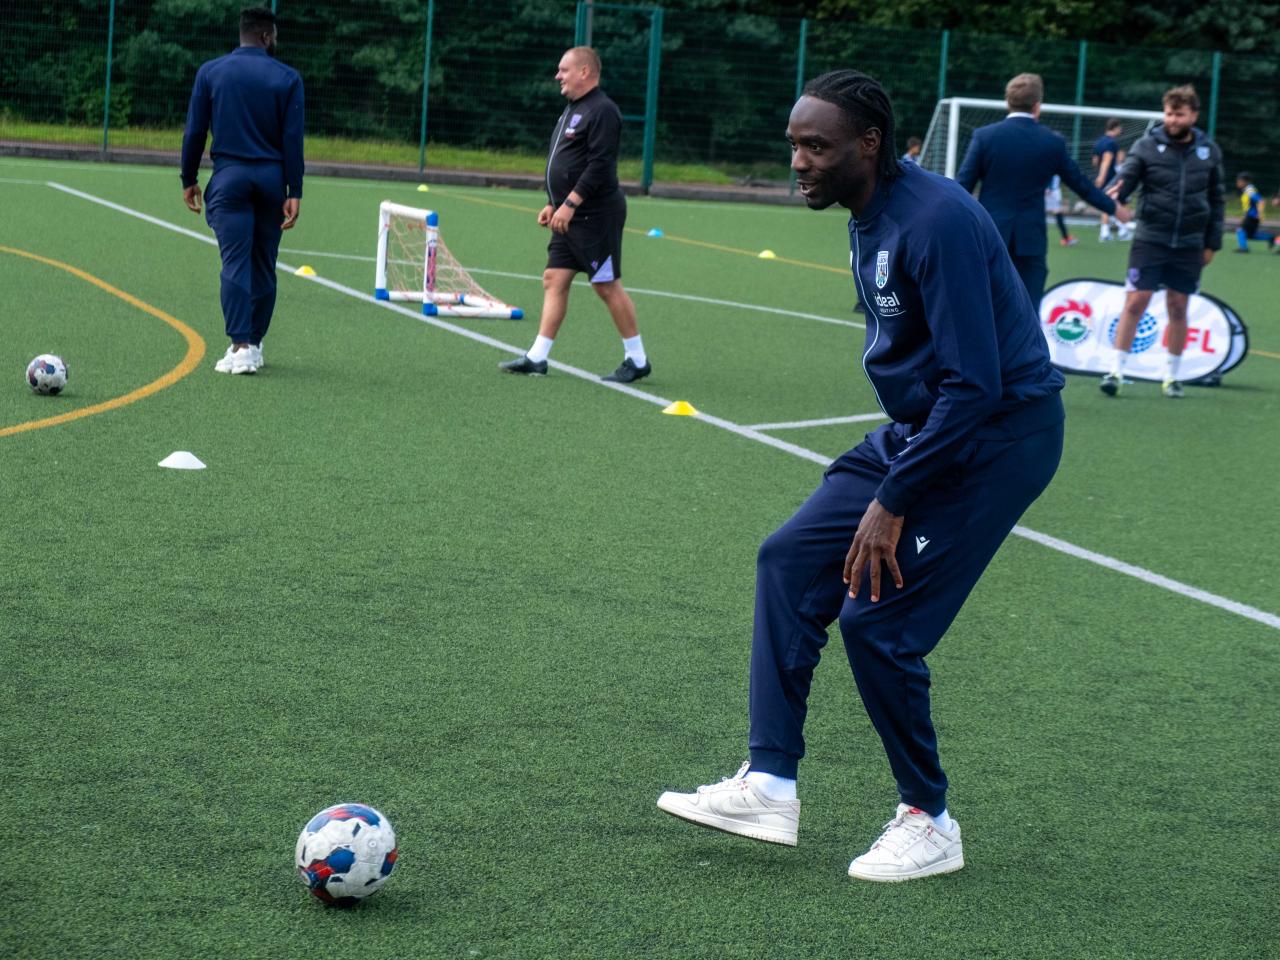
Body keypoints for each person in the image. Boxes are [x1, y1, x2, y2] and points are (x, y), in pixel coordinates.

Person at [656, 70, 1067, 883]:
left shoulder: (937, 220)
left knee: (876, 625)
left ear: (869, 143)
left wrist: (892, 498)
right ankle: (770, 783)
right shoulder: (866, 210)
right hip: (926, 429)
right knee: (787, 558)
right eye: (795, 146)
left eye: (817, 146)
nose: (800, 162)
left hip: (995, 439)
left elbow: (976, 386)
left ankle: (930, 820)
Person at [500, 47, 650, 383]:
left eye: (564, 70)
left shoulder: (603, 111)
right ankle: (537, 357)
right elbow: (567, 162)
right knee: (554, 278)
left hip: (595, 215)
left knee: (606, 286)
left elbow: (599, 165)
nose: (558, 76)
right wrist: (554, 203)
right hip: (567, 214)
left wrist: (570, 203)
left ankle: (637, 359)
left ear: (585, 72)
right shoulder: (572, 110)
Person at [180, 6, 304, 375]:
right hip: (270, 181)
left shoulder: (211, 72)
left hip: (229, 178)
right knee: (264, 262)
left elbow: (194, 132)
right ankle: (256, 342)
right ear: (266, 36)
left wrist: (188, 178)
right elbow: (292, 139)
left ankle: (241, 345)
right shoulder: (288, 78)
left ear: (244, 34)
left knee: (235, 261)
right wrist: (294, 189)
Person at [957, 73, 1129, 310]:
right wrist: (1114, 208)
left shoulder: (985, 137)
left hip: (989, 235)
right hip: (1031, 239)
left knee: (983, 307)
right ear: (1037, 105)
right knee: (1027, 312)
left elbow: (961, 186)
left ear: (1008, 102)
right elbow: (1081, 185)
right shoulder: (1052, 142)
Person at [1101, 85, 1224, 399]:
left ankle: (1171, 376)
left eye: (1179, 114)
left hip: (1190, 244)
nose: (1172, 120)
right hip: (1150, 239)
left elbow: (1217, 199)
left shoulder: (1209, 151)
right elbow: (1127, 177)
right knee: (1136, 302)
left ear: (1193, 116)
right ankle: (1115, 370)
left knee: (1179, 307)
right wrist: (1119, 191)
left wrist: (1212, 243)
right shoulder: (1146, 145)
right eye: (1169, 113)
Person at [1093, 118, 1133, 242]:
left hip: (1103, 177)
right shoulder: (1111, 143)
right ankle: (1122, 231)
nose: (1120, 130)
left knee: (1108, 204)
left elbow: (1095, 162)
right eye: (1119, 128)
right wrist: (1102, 176)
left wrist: (1099, 175)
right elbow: (1107, 160)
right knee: (1122, 203)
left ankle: (1106, 232)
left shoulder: (1099, 142)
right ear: (1115, 127)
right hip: (1111, 179)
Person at [1233, 172, 1276, 252]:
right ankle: (1270, 238)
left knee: (1240, 230)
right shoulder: (1247, 190)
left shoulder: (1250, 191)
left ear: (1244, 181)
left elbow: (1261, 201)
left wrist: (1260, 214)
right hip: (1250, 215)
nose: (1237, 183)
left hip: (1252, 216)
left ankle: (1243, 248)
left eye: (1238, 181)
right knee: (1250, 235)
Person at [1046, 175, 1077, 245]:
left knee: (1057, 214)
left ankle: (1066, 238)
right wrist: (1048, 187)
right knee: (1058, 214)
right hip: (1052, 191)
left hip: (1052, 190)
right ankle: (1066, 238)